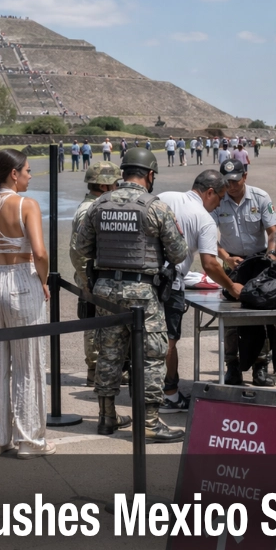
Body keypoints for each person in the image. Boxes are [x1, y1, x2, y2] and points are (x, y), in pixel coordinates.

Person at [73, 147, 188, 443]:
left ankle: (106, 417)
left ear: (122, 173)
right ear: (149, 175)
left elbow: (81, 249)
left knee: (109, 354)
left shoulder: (99, 204)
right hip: (142, 293)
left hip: (105, 291)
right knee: (152, 356)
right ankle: (149, 421)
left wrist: (96, 271)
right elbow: (178, 253)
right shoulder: (155, 206)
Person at [0, 150, 54, 458]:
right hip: (22, 280)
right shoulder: (27, 205)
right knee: (28, 363)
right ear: (14, 174)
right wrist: (43, 281)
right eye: (28, 171)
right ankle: (29, 440)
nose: (30, 176)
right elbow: (41, 253)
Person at [156, 171, 243, 412]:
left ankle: (143, 389)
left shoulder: (164, 197)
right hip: (169, 284)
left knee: (144, 336)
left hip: (145, 280)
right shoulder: (203, 218)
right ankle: (170, 396)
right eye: (219, 198)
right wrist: (231, 285)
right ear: (209, 193)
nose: (218, 205)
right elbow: (210, 264)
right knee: (169, 342)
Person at [213, 159, 276, 386]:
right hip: (231, 264)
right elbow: (208, 238)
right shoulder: (218, 200)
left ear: (245, 177)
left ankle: (260, 368)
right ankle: (232, 367)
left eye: (235, 180)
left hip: (258, 263)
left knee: (261, 319)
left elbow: (273, 232)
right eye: (226, 181)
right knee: (231, 319)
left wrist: (271, 255)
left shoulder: (260, 197)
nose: (231, 186)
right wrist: (226, 258)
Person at [69, 162, 121, 385]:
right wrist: (86, 280)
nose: (118, 187)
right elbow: (77, 250)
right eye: (116, 183)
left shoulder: (98, 206)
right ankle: (96, 371)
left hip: (98, 275)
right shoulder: (89, 210)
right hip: (92, 276)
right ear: (104, 184)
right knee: (94, 325)